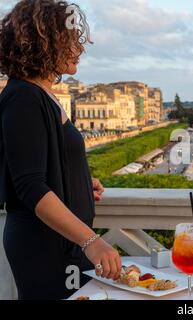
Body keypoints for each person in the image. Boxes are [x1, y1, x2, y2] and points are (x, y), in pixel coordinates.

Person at [0, 0, 121, 300]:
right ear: (44, 42)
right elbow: (29, 186)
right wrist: (92, 241)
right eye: (70, 41)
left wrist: (77, 184)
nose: (79, 49)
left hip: (64, 242)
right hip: (45, 245)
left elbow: (42, 164)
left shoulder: (43, 94)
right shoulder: (24, 98)